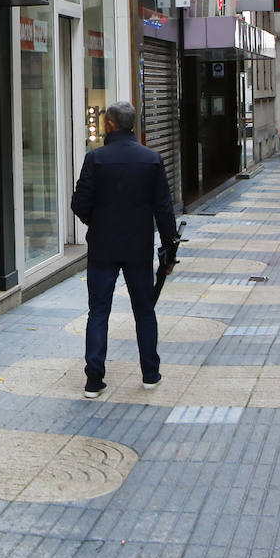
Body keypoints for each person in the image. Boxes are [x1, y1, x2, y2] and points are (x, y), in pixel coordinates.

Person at [70, 101, 177, 398]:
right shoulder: (152, 159)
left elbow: (79, 204)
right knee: (144, 310)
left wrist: (97, 220)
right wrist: (170, 249)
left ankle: (94, 379)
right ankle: (150, 373)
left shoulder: (96, 159)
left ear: (110, 125)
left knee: (98, 311)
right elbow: (164, 210)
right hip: (138, 246)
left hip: (103, 246)